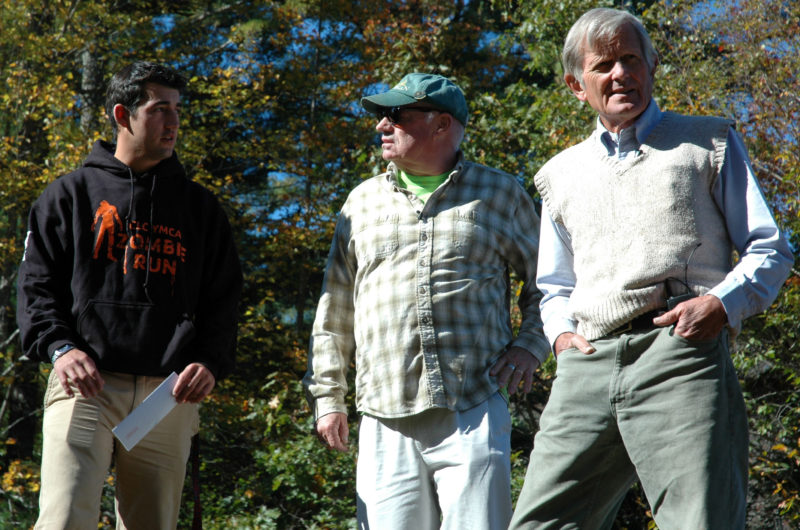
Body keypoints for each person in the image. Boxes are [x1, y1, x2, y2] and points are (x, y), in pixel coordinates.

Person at [509, 8, 794, 530]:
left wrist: (721, 304)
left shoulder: (708, 141)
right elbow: (554, 285)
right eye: (604, 66)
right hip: (586, 365)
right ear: (577, 85)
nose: (620, 74)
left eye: (630, 60)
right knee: (538, 524)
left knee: (699, 521)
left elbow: (770, 248)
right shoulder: (559, 175)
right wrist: (560, 339)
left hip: (679, 354)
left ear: (652, 66)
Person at [303, 73, 549, 529]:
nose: (381, 125)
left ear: (442, 125)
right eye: (381, 116)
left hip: (473, 402)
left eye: (396, 115)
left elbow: (548, 283)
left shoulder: (501, 194)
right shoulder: (360, 203)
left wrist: (529, 346)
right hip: (383, 411)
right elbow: (334, 309)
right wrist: (328, 396)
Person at [17, 61, 243, 529]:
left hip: (168, 395)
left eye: (178, 109)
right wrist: (60, 348)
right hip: (85, 385)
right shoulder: (69, 196)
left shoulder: (200, 209)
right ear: (123, 114)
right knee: (63, 520)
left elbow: (223, 300)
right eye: (161, 109)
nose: (174, 121)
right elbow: (36, 288)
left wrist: (210, 361)